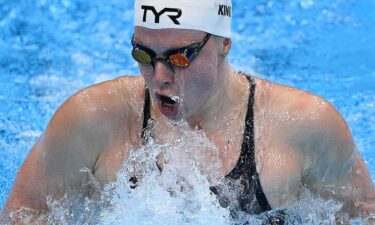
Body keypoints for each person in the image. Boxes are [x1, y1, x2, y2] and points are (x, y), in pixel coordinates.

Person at [2, 0, 374, 223]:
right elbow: (24, 214)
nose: (160, 77)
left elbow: (362, 216)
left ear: (225, 43)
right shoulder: (91, 119)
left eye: (181, 57)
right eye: (144, 56)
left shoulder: (305, 125)